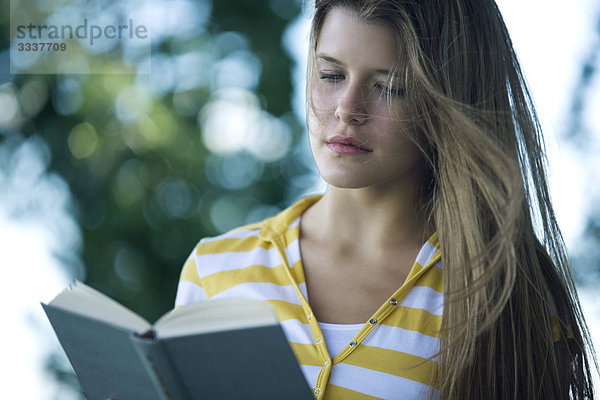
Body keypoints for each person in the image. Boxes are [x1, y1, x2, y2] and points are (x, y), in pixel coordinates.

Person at [175, 0, 597, 398]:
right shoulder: (213, 270)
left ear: (447, 101)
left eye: (389, 87)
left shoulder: (510, 296)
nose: (347, 109)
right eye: (330, 75)